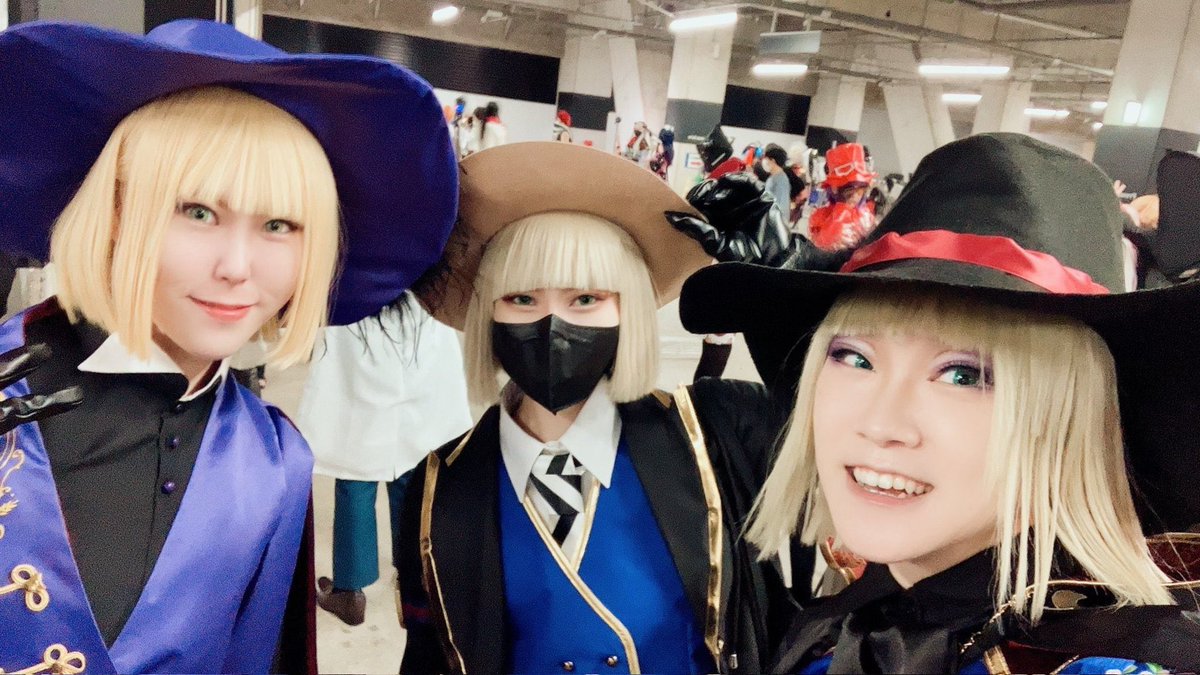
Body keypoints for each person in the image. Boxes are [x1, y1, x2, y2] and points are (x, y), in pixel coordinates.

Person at [0, 19, 457, 673]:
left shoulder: (273, 464)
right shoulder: (9, 385)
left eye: (279, 225)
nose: (237, 268)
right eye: (198, 212)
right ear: (117, 210)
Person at [677, 133, 1200, 672]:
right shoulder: (852, 618)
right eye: (854, 358)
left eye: (962, 375)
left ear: (1068, 419)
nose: (880, 423)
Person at [397, 142, 806, 674]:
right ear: (488, 315)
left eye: (586, 299)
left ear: (626, 309)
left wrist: (786, 292)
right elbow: (429, 656)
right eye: (522, 298)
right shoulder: (439, 489)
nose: (552, 326)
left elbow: (842, 436)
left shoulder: (717, 431)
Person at [299, 293, 472, 626]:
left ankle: (350, 591)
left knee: (355, 470)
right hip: (419, 311)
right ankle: (413, 579)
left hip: (361, 315)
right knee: (412, 465)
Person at [807, 143, 877, 251]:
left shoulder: (866, 216)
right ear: (835, 188)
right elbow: (824, 246)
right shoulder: (820, 216)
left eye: (860, 189)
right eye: (849, 191)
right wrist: (842, 210)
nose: (855, 196)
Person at [761, 144, 792, 224]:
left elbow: (783, 206)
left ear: (773, 160)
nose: (765, 162)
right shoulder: (773, 177)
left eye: (766, 159)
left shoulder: (781, 180)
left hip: (775, 222)